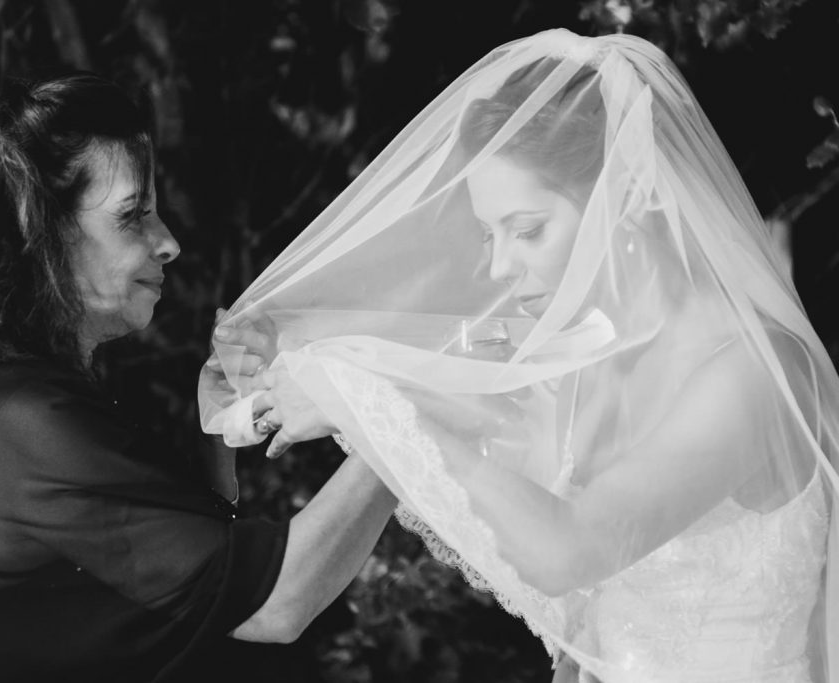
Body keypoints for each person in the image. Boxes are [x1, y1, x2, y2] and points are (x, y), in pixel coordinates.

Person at [201, 29, 839, 682]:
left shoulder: (750, 373)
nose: (501, 267)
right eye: (489, 233)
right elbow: (430, 349)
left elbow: (571, 549)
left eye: (528, 229)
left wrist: (362, 402)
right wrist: (286, 345)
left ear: (626, 194)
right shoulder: (585, 352)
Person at [0, 73, 397, 683]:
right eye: (133, 216)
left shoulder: (13, 390)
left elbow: (194, 586)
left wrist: (217, 433)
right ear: (37, 236)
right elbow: (277, 605)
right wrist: (399, 414)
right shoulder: (22, 422)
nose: (169, 243)